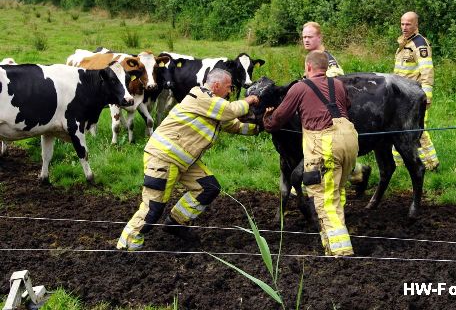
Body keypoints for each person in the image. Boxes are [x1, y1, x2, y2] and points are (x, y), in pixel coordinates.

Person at [117, 68, 260, 251]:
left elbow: (234, 125)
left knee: (208, 188)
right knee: (153, 206)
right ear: (216, 85)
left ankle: (176, 223)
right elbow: (232, 110)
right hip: (164, 157)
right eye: (229, 87)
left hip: (182, 160)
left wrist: (262, 127)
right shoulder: (201, 96)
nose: (230, 91)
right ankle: (126, 246)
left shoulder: (213, 105)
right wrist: (251, 100)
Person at [263, 51, 359, 256]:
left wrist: (267, 119)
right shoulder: (338, 85)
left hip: (324, 144)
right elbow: (346, 107)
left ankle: (341, 250)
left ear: (308, 67)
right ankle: (330, 238)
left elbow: (279, 118)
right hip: (350, 140)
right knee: (337, 191)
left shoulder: (299, 87)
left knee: (325, 198)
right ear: (326, 67)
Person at [302, 21, 369, 184]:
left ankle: (352, 171)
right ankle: (356, 171)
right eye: (304, 37)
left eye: (310, 37)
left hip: (330, 114)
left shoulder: (327, 59)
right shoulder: (312, 57)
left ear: (320, 37)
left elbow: (338, 79)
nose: (306, 40)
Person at [393, 11, 439, 171]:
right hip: (401, 95)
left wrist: (426, 96)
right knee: (398, 128)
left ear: (415, 25)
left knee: (418, 131)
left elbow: (427, 71)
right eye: (402, 24)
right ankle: (398, 164)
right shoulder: (404, 43)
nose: (404, 27)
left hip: (413, 96)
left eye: (408, 24)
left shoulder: (419, 44)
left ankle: (431, 164)